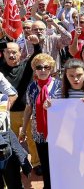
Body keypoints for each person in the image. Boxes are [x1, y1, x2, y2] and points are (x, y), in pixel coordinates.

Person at [0, 35, 42, 175]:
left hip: (26, 112)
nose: (11, 55)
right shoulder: (0, 69)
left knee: (31, 139)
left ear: (20, 53)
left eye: (14, 52)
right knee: (10, 142)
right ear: (3, 53)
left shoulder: (26, 66)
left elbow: (37, 56)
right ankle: (13, 166)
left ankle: (36, 164)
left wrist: (36, 44)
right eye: (8, 52)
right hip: (7, 113)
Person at [20, 54, 62, 189]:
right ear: (35, 69)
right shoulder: (31, 87)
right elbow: (28, 108)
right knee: (44, 162)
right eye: (39, 67)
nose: (43, 70)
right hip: (39, 132)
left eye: (46, 67)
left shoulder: (59, 85)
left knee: (58, 162)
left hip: (57, 131)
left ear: (51, 69)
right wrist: (24, 128)